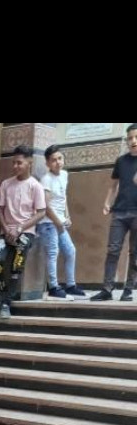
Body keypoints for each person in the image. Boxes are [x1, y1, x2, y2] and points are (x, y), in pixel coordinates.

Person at [0, 147, 46, 318]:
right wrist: (6, 229)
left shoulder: (35, 186)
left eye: (19, 163)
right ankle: (2, 293)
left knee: (16, 264)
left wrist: (20, 228)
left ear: (29, 163)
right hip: (6, 231)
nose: (15, 166)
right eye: (13, 162)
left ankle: (6, 304)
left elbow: (41, 212)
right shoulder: (6, 184)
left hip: (26, 232)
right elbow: (0, 210)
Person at [92, 123, 137, 302]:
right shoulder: (121, 161)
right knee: (113, 250)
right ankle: (107, 289)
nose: (133, 141)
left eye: (136, 137)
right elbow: (113, 185)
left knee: (135, 253)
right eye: (130, 138)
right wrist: (106, 202)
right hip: (119, 212)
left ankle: (128, 289)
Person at [35, 146, 86, 298]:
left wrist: (67, 216)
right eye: (53, 160)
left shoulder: (64, 174)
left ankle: (70, 285)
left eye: (60, 158)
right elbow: (46, 206)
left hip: (59, 221)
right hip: (48, 223)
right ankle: (53, 287)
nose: (57, 162)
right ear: (47, 163)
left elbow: (63, 198)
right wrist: (58, 222)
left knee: (70, 251)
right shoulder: (46, 179)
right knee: (53, 253)